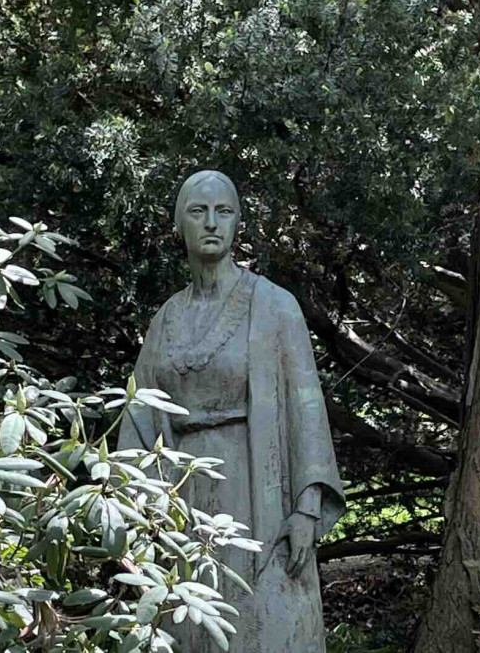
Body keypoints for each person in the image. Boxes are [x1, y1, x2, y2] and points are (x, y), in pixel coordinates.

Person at [118, 170, 345, 652]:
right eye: (199, 212)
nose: (212, 223)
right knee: (189, 620)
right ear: (180, 223)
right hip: (183, 493)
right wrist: (135, 506)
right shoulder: (167, 318)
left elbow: (306, 406)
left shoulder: (275, 307)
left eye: (224, 211)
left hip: (256, 486)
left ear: (238, 222)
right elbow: (139, 413)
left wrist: (306, 507)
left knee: (265, 619)